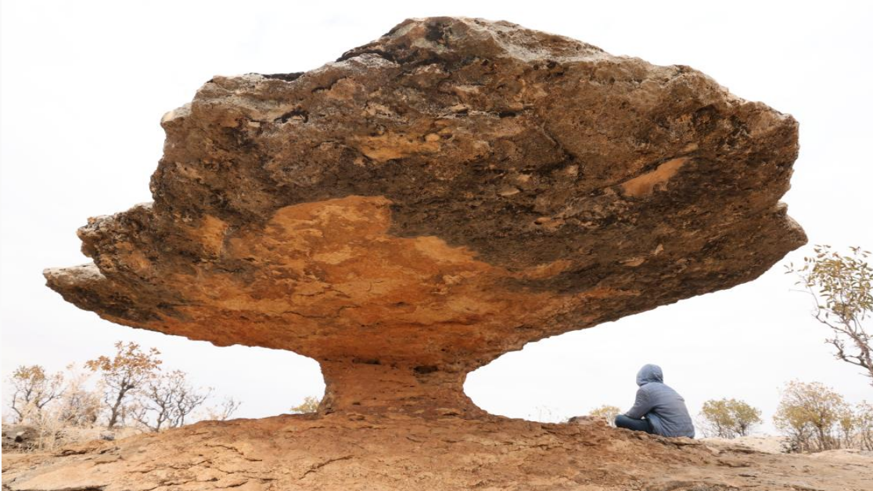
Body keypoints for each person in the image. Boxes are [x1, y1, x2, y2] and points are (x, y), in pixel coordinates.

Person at [614, 364, 695, 438]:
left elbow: (634, 415)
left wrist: (625, 416)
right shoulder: (670, 390)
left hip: (668, 433)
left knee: (620, 419)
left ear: (641, 376)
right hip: (689, 434)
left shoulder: (645, 390)